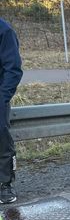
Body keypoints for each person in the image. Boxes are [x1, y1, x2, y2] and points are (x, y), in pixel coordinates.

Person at [0, 19, 23, 204]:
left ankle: (4, 184)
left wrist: (2, 98)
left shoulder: (4, 30)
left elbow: (13, 69)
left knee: (1, 139)